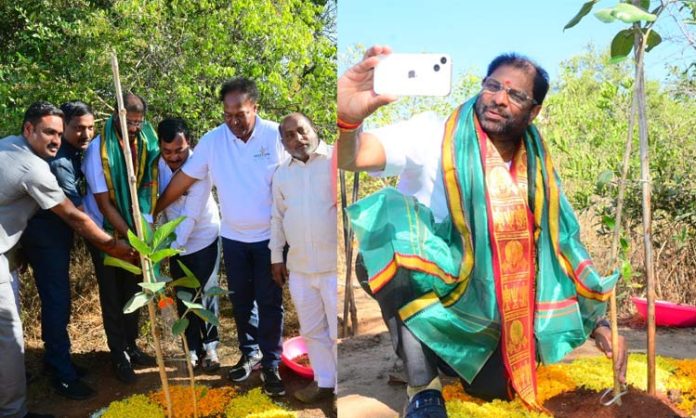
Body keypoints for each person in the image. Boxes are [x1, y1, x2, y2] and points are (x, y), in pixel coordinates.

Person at [337, 46, 628, 417]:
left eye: (516, 94)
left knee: (496, 389)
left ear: (534, 110)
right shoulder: (433, 133)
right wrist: (347, 118)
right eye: (493, 86)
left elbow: (561, 244)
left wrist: (599, 321)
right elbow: (354, 156)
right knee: (392, 241)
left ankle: (440, 352)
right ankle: (422, 387)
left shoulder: (537, 168)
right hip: (431, 284)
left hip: (492, 310)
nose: (499, 99)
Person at [0, 101, 133, 418]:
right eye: (49, 132)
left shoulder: (11, 146)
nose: (56, 140)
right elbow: (75, 215)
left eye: (59, 133)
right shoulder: (36, 166)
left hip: (11, 250)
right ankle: (19, 406)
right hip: (41, 245)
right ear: (28, 129)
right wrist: (114, 246)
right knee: (11, 334)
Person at [156, 77, 288, 396]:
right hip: (232, 237)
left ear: (255, 107)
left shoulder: (276, 136)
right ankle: (249, 352)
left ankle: (271, 364)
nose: (233, 122)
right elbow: (184, 181)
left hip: (271, 238)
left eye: (240, 114)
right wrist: (153, 210)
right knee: (242, 300)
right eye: (228, 115)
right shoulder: (215, 141)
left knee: (270, 301)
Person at [20, 101, 96, 400]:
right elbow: (76, 212)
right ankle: (61, 374)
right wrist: (110, 243)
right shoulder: (60, 161)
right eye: (78, 128)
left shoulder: (72, 153)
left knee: (58, 302)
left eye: (90, 127)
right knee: (57, 302)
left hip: (50, 237)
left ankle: (58, 360)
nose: (86, 133)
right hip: (46, 238)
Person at [82, 92, 159, 384]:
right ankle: (118, 354)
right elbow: (103, 203)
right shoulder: (99, 150)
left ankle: (132, 344)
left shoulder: (146, 141)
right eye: (130, 122)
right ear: (117, 115)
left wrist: (142, 234)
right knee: (113, 295)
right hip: (106, 232)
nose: (135, 128)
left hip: (136, 230)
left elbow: (148, 188)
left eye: (139, 122)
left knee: (134, 292)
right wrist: (128, 239)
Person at [269, 113, 337, 403]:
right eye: (289, 135)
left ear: (314, 129)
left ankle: (342, 389)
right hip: (299, 268)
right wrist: (276, 256)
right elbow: (277, 217)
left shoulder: (336, 161)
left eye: (302, 131)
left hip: (335, 267)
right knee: (311, 330)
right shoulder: (282, 173)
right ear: (283, 143)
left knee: (338, 331)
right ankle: (324, 382)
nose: (298, 138)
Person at [156, 117, 222, 372]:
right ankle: (192, 349)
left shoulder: (200, 166)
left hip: (204, 236)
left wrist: (169, 250)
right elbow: (156, 204)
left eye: (179, 151)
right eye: (167, 151)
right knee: (184, 296)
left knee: (207, 292)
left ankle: (211, 349)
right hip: (175, 241)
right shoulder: (156, 166)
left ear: (190, 144)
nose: (173, 157)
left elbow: (192, 216)